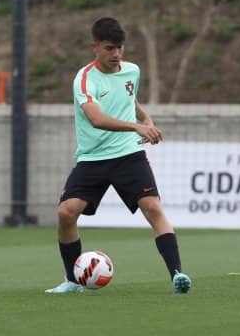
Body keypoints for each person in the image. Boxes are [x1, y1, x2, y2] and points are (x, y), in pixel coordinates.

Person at [45, 17, 191, 294]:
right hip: (93, 158)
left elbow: (129, 99)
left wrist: (146, 119)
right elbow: (96, 119)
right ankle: (72, 281)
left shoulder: (131, 71)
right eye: (110, 48)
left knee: (153, 208)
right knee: (66, 212)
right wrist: (136, 126)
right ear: (95, 47)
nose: (117, 55)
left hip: (128, 155)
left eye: (120, 48)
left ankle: (177, 275)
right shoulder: (84, 79)